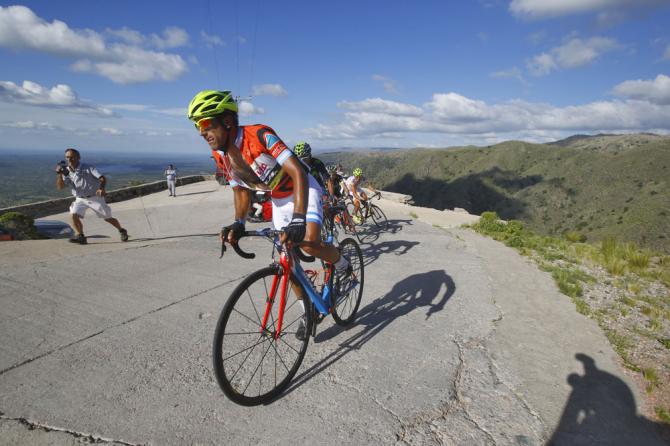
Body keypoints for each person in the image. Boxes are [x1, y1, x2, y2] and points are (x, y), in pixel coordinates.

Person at [187, 90, 351, 338]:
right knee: (287, 260)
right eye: (197, 126)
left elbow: (296, 171)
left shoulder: (260, 135)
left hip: (303, 188)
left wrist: (298, 217)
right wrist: (238, 222)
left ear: (228, 121)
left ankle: (341, 264)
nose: (201, 131)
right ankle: (307, 311)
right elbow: (241, 191)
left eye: (206, 123)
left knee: (309, 245)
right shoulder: (220, 156)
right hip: (278, 198)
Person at [55, 148, 129, 245]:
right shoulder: (66, 171)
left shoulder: (88, 167)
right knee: (73, 214)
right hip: (80, 198)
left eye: (72, 157)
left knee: (108, 218)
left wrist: (101, 188)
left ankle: (121, 230)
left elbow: (102, 178)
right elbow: (60, 187)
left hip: (95, 197)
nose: (70, 159)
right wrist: (60, 174)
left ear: (78, 157)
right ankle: (80, 236)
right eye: (68, 157)